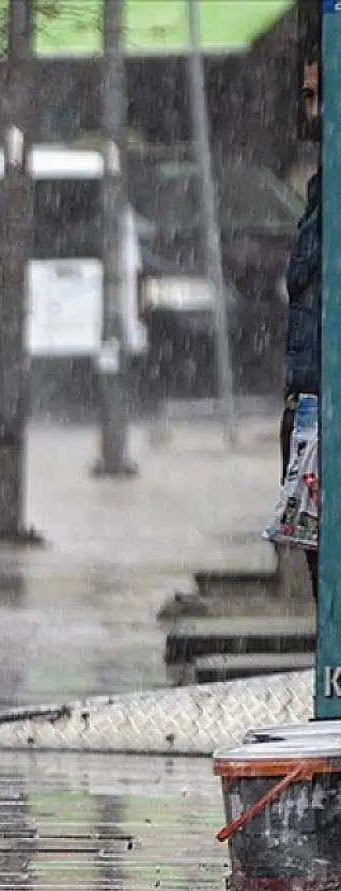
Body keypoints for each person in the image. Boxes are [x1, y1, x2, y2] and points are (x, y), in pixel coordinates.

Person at [284, 53, 321, 596]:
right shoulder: (320, 189)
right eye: (306, 97)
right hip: (311, 415)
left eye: (321, 96)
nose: (311, 111)